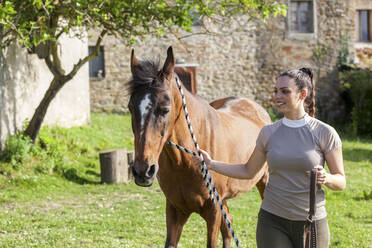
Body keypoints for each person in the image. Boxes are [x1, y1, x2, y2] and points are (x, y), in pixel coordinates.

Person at [194, 68, 346, 248]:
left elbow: (341, 181)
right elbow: (248, 170)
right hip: (272, 220)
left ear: (302, 94)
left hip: (311, 222)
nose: (277, 96)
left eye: (284, 91)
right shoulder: (269, 132)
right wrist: (212, 164)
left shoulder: (324, 133)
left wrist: (327, 178)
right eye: (275, 91)